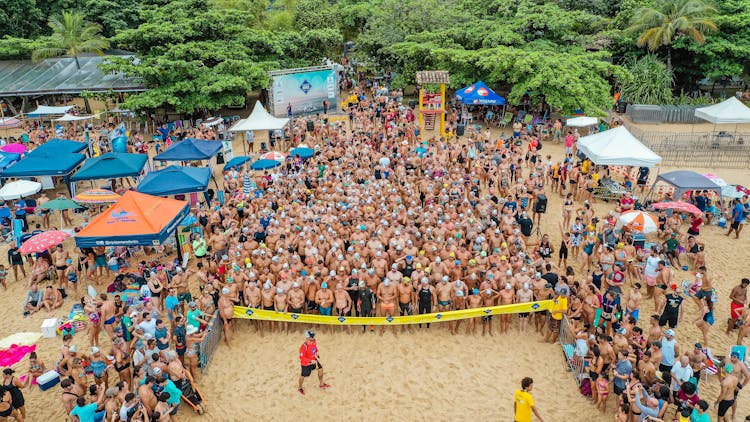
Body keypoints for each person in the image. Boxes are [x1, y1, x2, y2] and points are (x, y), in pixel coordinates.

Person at [297, 330, 330, 395]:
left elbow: (315, 348)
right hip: (306, 364)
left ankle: (321, 384)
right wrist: (310, 361)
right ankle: (300, 388)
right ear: (307, 338)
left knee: (320, 370)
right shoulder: (304, 346)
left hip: (314, 361)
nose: (313, 337)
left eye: (313, 336)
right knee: (303, 376)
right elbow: (302, 357)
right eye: (312, 336)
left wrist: (316, 353)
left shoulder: (314, 342)